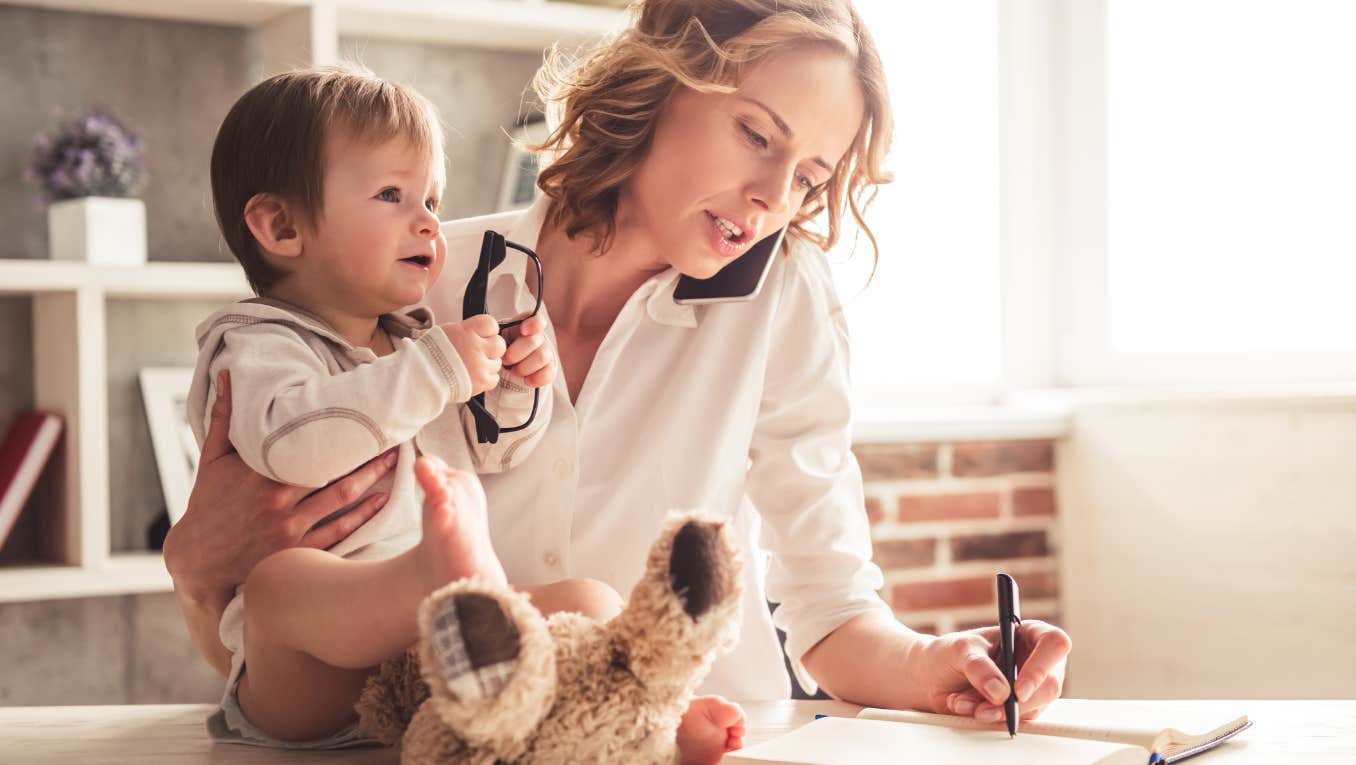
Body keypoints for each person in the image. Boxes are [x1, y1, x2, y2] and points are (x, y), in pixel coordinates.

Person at [166, 0, 1070, 736]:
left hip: (700, 742)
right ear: (659, 82)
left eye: (808, 177)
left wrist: (937, 663)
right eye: (758, 135)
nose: (773, 198)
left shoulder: (785, 298)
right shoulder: (408, 281)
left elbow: (830, 606)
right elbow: (273, 646)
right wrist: (194, 570)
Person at [189, 65, 744, 760]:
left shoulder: (413, 337)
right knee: (279, 586)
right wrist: (435, 371)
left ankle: (641, 709)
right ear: (280, 225)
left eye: (432, 197)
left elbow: (494, 453)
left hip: (431, 662)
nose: (427, 220)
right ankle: (433, 581)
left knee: (587, 601)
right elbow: (291, 447)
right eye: (392, 194)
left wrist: (516, 389)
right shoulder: (257, 341)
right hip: (306, 678)